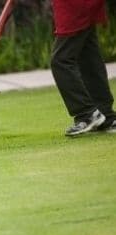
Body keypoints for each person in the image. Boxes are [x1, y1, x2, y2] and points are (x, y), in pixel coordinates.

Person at [50, 0, 116, 136]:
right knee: (88, 57)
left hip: (75, 5)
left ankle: (87, 114)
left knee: (60, 60)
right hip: (86, 5)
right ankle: (106, 115)